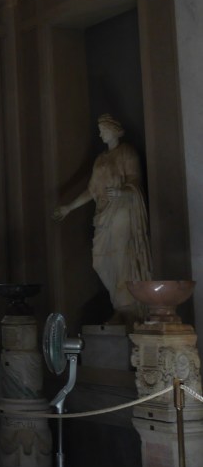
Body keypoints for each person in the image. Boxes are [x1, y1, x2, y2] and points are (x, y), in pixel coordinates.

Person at [52, 114, 153, 320]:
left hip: (122, 211)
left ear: (114, 131)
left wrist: (122, 192)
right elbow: (92, 190)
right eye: (100, 131)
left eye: (103, 130)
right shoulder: (100, 159)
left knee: (122, 258)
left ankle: (127, 309)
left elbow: (135, 180)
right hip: (103, 214)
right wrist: (69, 208)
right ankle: (121, 305)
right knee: (100, 261)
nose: (100, 134)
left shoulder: (127, 152)